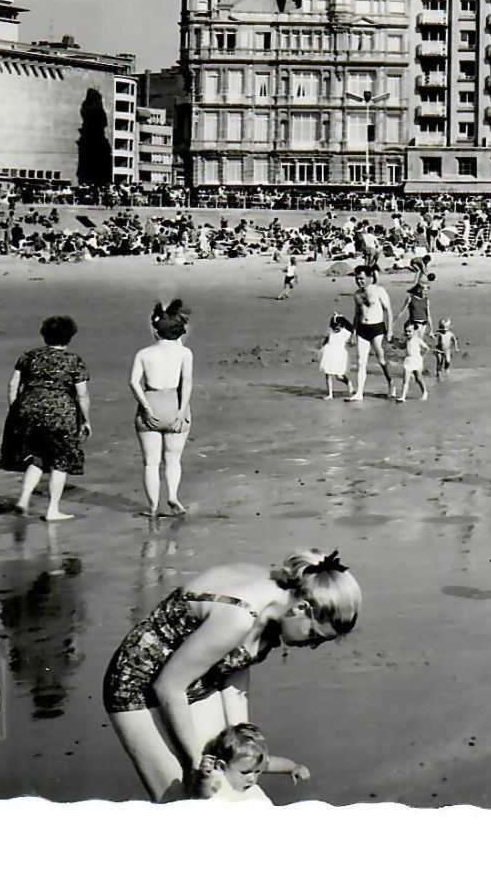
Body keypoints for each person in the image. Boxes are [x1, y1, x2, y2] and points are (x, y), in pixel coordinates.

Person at [104, 549, 359, 802]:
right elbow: (169, 687)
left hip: (197, 676)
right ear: (302, 608)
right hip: (139, 683)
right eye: (314, 635)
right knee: (186, 798)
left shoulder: (280, 603)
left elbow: (234, 665)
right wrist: (194, 765)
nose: (312, 646)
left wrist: (245, 740)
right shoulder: (239, 616)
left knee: (232, 779)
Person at [0, 315, 91, 521]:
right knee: (60, 461)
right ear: (69, 337)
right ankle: (53, 510)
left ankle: (23, 499)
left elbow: (13, 384)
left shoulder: (30, 356)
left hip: (28, 409)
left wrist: (15, 410)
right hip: (61, 413)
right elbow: (82, 394)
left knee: (37, 457)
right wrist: (86, 420)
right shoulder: (74, 361)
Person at [132, 303, 194, 517]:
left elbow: (133, 382)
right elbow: (187, 381)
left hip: (151, 402)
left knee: (150, 462)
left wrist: (146, 406)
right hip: (175, 403)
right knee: (173, 459)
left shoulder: (144, 353)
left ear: (156, 330)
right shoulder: (185, 353)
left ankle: (153, 507)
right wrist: (182, 410)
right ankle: (173, 495)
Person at [194, 723, 309, 804]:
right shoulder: (218, 779)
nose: (252, 779)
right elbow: (204, 797)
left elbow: (272, 763)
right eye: (245, 772)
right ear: (222, 767)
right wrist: (204, 778)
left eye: (258, 771)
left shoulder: (247, 779)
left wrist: (293, 767)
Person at [349, 265, 395, 401]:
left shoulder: (379, 291)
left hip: (377, 328)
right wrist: (354, 332)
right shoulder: (357, 294)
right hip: (362, 329)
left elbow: (389, 311)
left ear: (369, 277)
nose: (359, 282)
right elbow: (357, 314)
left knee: (381, 359)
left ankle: (391, 383)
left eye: (362, 279)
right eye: (357, 279)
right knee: (361, 362)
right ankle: (359, 392)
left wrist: (390, 330)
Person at [319, 313, 354, 400]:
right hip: (329, 353)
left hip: (339, 354)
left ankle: (348, 382)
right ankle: (330, 394)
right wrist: (322, 348)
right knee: (328, 374)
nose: (336, 329)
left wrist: (352, 342)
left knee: (339, 375)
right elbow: (326, 340)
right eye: (334, 327)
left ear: (342, 326)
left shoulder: (346, 333)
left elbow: (351, 342)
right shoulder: (329, 330)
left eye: (338, 328)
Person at [396, 322, 430, 402]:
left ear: (415, 331)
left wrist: (422, 357)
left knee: (419, 378)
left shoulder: (418, 339)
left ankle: (425, 392)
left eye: (409, 331)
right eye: (406, 331)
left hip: (417, 360)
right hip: (408, 360)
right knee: (405, 379)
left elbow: (426, 348)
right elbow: (402, 346)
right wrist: (396, 343)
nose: (407, 333)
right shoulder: (407, 340)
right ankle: (403, 396)